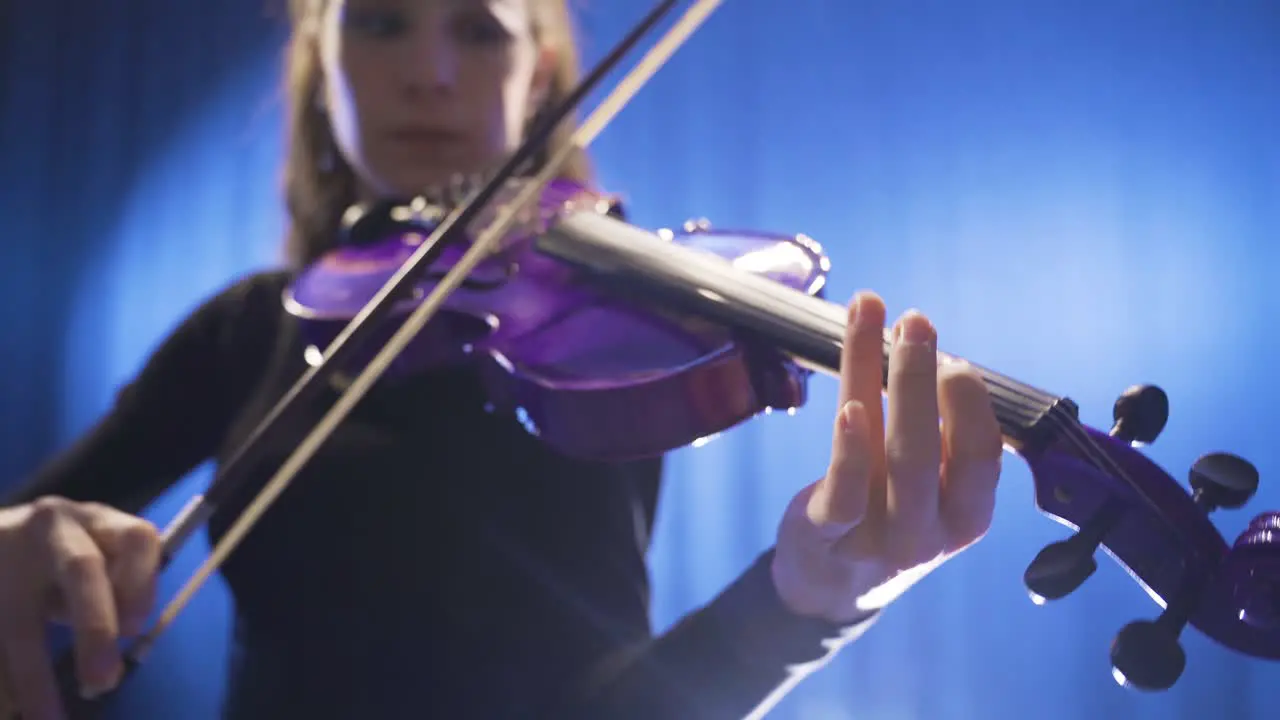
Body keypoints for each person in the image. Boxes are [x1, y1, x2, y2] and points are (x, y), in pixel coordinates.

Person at [0, 1, 1004, 718]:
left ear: (538, 79)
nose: (429, 70)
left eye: (479, 30)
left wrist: (799, 605)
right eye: (380, 22)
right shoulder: (249, 330)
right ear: (323, 61)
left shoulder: (599, 337)